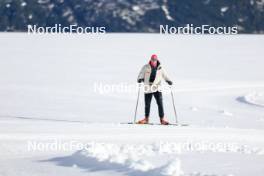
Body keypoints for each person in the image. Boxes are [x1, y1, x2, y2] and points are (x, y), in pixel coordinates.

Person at [137, 54, 173, 125]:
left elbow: (165, 75)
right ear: (150, 59)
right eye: (152, 59)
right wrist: (140, 79)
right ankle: (146, 119)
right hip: (148, 87)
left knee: (160, 103)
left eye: (155, 60)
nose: (154, 61)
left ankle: (162, 119)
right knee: (147, 104)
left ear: (157, 60)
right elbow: (141, 73)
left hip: (157, 87)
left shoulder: (160, 68)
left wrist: (168, 80)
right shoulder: (145, 67)